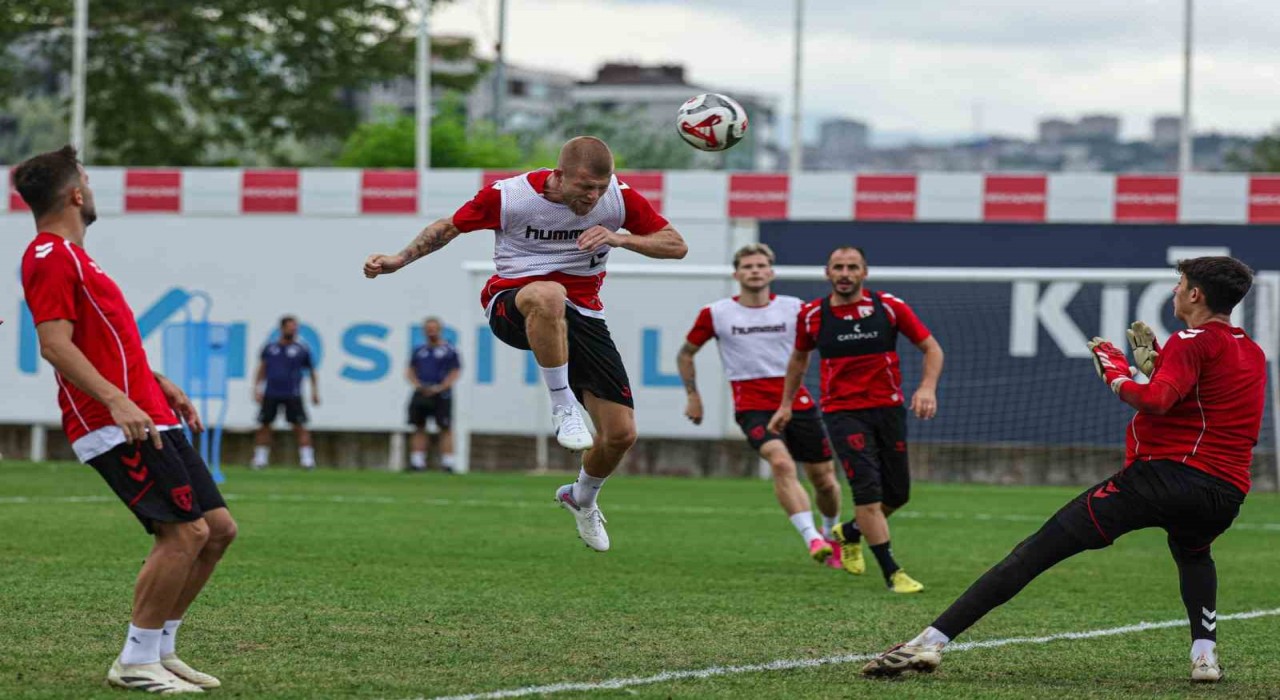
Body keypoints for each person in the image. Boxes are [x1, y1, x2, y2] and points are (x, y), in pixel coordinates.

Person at [861, 256, 1263, 684]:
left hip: (1162, 480)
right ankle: (1205, 658)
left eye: (1180, 284)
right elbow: (1197, 403)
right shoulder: (1251, 351)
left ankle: (930, 641)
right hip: (1224, 493)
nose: (1175, 291)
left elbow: (1158, 401)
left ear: (1196, 294)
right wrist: (1148, 369)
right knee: (1194, 554)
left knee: (1035, 551)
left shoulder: (1189, 339)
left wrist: (1116, 376)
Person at [363, 136, 687, 551]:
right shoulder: (511, 196)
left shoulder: (618, 200)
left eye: (599, 189)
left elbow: (676, 244)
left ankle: (582, 496)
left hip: (583, 315)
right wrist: (397, 260)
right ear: (558, 175)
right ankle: (563, 405)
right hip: (513, 303)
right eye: (584, 187)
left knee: (620, 435)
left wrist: (621, 238)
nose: (593, 197)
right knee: (548, 294)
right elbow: (447, 228)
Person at [18, 145, 237, 694]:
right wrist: (117, 400)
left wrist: (155, 381)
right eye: (86, 180)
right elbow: (54, 345)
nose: (91, 188)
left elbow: (106, 343)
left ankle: (161, 649)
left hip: (149, 412)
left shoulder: (78, 258)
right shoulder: (49, 256)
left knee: (217, 532)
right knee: (184, 533)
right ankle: (135, 660)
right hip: (114, 421)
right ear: (74, 194)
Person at [769, 246, 943, 593]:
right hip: (842, 413)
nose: (845, 273)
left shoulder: (889, 307)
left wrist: (927, 388)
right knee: (867, 492)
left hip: (888, 409)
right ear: (827, 273)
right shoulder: (811, 315)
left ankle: (849, 533)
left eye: (852, 267)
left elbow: (932, 348)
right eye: (838, 267)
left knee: (898, 493)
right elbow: (798, 361)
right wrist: (786, 404)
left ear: (864, 272)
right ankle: (892, 573)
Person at [677, 244, 850, 571]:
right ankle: (812, 538)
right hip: (752, 406)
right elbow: (685, 353)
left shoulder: (795, 308)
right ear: (737, 274)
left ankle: (831, 535)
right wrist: (693, 395)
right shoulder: (716, 313)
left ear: (771, 272)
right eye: (748, 266)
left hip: (797, 402)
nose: (754, 271)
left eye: (760, 265)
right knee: (782, 463)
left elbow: (821, 346)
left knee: (825, 480)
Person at [250, 315, 319, 470]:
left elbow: (312, 371)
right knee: (264, 425)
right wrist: (257, 389)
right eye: (290, 327)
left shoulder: (301, 349)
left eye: (295, 327)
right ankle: (260, 459)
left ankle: (307, 460)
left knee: (300, 425)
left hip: (292, 394)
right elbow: (262, 369)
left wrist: (314, 391)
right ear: (282, 328)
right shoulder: (270, 348)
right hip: (271, 393)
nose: (293, 330)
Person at [406, 316, 462, 473]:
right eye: (428, 329)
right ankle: (417, 462)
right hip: (421, 392)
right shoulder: (419, 351)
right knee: (419, 426)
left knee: (445, 427)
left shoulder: (449, 350)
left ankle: (448, 463)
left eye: (434, 328)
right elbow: (410, 370)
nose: (431, 332)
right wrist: (418, 385)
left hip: (442, 394)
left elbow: (455, 371)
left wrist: (442, 387)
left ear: (440, 330)